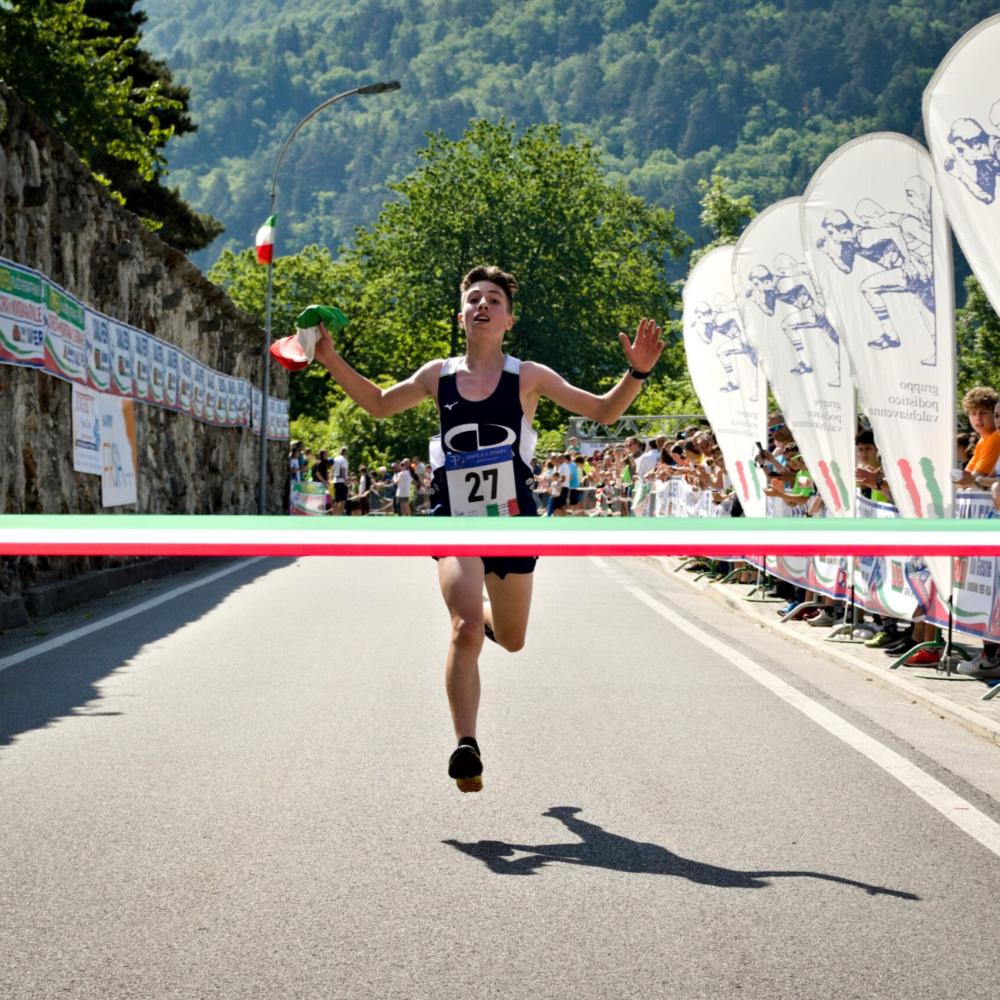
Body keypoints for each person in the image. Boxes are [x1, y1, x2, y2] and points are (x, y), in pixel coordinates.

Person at [311, 264, 663, 792]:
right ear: (461, 316)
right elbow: (379, 405)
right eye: (473, 298)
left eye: (493, 300)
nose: (482, 305)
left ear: (508, 320)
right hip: (455, 520)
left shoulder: (530, 377)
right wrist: (330, 358)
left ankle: (484, 614)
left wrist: (636, 373)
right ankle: (466, 745)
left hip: (513, 522)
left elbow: (605, 412)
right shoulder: (437, 376)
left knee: (512, 639)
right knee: (465, 629)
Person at [331, 446, 349, 515]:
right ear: (345, 452)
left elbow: (332, 470)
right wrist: (346, 481)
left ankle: (335, 516)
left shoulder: (335, 459)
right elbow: (343, 471)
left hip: (335, 481)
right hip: (342, 481)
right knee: (343, 500)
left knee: (337, 500)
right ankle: (339, 515)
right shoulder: (344, 460)